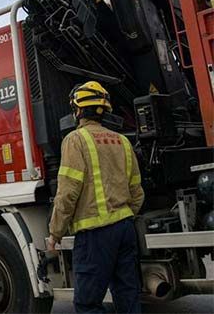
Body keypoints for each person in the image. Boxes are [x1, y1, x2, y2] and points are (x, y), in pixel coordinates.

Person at [47, 81, 145, 314]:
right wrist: (125, 216)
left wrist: (55, 233)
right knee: (128, 296)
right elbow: (137, 192)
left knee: (87, 303)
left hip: (95, 234)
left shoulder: (75, 140)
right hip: (125, 228)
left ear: (78, 110)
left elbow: (68, 192)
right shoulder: (122, 141)